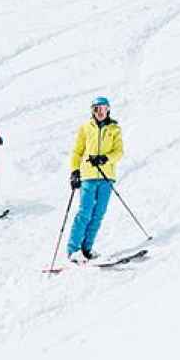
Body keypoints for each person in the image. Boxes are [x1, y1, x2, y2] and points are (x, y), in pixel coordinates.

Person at [65, 96, 123, 263]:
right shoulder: (85, 128)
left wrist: (105, 158)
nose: (100, 112)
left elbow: (119, 152)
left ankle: (86, 248)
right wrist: (75, 171)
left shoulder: (115, 129)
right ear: (92, 111)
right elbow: (77, 152)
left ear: (108, 109)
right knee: (85, 212)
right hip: (89, 177)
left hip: (106, 177)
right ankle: (73, 250)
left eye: (103, 108)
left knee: (98, 214)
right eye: (96, 109)